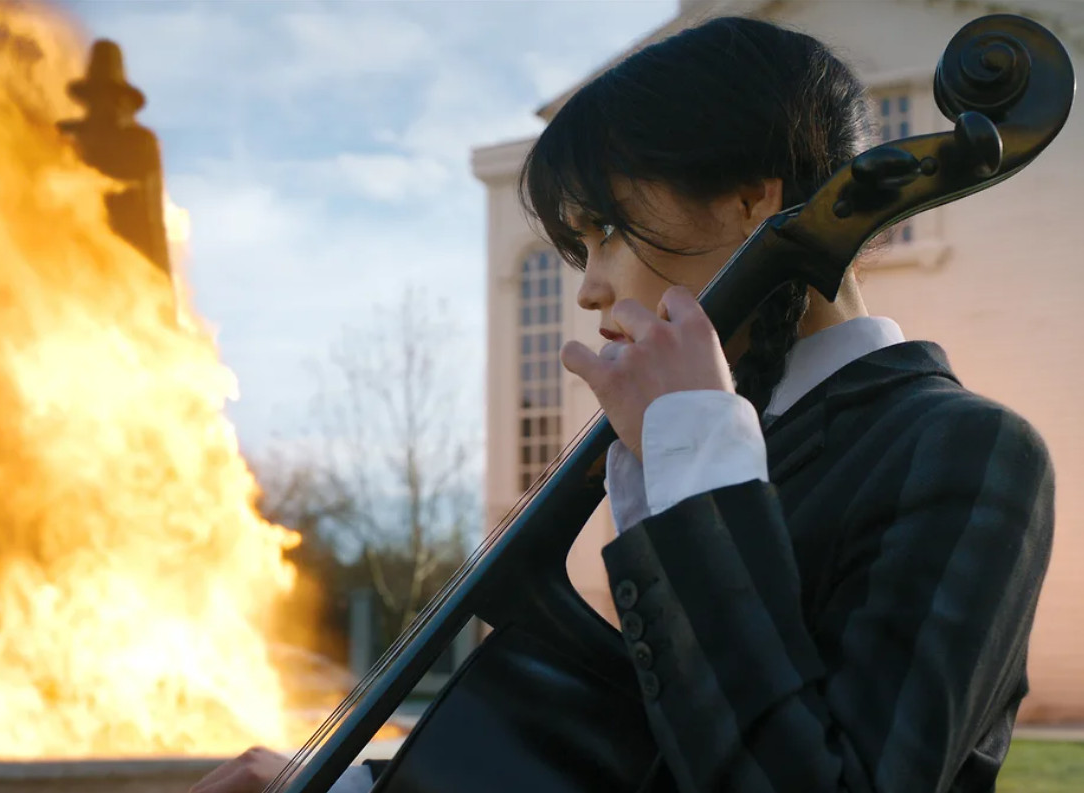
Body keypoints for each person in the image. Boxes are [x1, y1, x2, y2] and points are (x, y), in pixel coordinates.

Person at [192, 15, 1054, 793]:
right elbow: (636, 761)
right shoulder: (705, 446)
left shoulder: (965, 452)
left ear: (751, 202)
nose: (588, 288)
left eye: (606, 230)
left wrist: (696, 465)